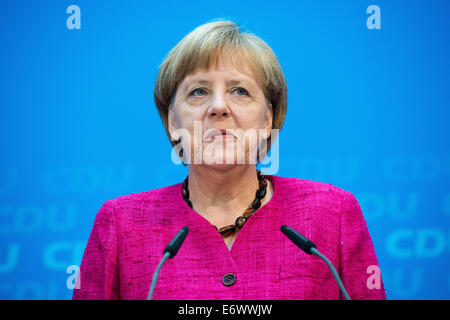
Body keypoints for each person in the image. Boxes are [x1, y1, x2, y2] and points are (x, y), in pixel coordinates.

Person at [72, 20, 387, 300]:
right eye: (198, 91)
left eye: (239, 91)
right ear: (172, 121)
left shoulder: (332, 213)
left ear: (267, 120)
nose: (219, 107)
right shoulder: (121, 224)